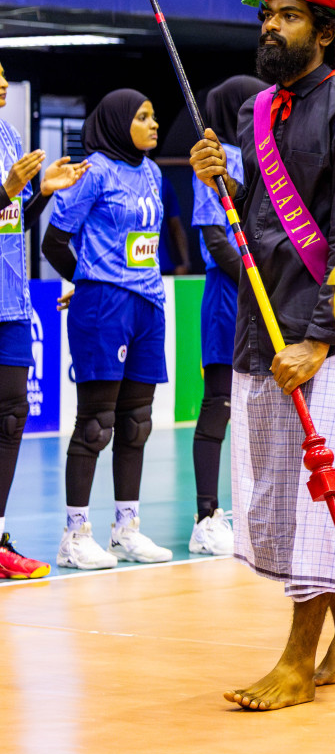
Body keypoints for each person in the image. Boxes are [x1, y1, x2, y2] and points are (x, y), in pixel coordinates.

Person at [189, 0, 335, 711]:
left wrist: (319, 341)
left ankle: (298, 662)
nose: (270, 27)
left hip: (317, 340)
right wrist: (223, 187)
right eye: (266, 16)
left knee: (316, 500)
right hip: (257, 327)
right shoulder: (256, 112)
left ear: (325, 31)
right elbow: (264, 219)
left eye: (289, 17)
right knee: (274, 493)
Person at [45, 90, 175, 569]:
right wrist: (84, 281)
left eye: (153, 115)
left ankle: (127, 528)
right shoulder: (95, 170)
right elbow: (54, 239)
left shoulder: (154, 173)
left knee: (137, 423)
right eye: (143, 117)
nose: (153, 124)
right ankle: (75, 534)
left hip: (149, 303)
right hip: (105, 304)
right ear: (120, 124)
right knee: (96, 424)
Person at [0, 61, 88, 578]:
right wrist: (10, 189)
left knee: (11, 417)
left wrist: (39, 196)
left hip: (11, 300)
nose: (4, 82)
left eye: (6, 73)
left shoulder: (10, 136)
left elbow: (11, 222)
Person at [188, 74, 265, 557]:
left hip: (262, 299)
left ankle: (251, 509)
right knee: (219, 403)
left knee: (259, 411)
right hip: (230, 297)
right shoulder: (219, 159)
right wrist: (259, 281)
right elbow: (217, 238)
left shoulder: (261, 158)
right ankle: (206, 516)